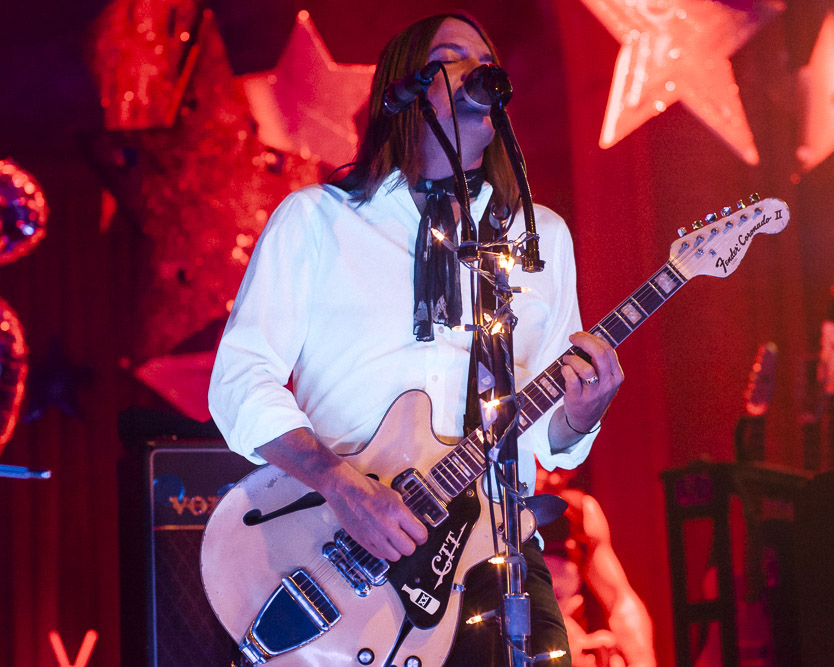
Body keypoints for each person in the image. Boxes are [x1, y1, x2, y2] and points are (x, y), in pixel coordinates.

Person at [208, 12, 623, 665]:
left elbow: (548, 440)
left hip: (498, 553)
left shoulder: (537, 238)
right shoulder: (318, 221)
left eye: (488, 62)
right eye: (454, 57)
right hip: (348, 552)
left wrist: (579, 414)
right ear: (402, 88)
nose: (479, 72)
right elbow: (239, 382)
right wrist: (341, 484)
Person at [536, 465, 656, 667]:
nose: (556, 480)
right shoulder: (488, 515)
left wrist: (642, 660)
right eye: (547, 465)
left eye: (564, 468)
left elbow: (620, 599)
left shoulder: (578, 514)